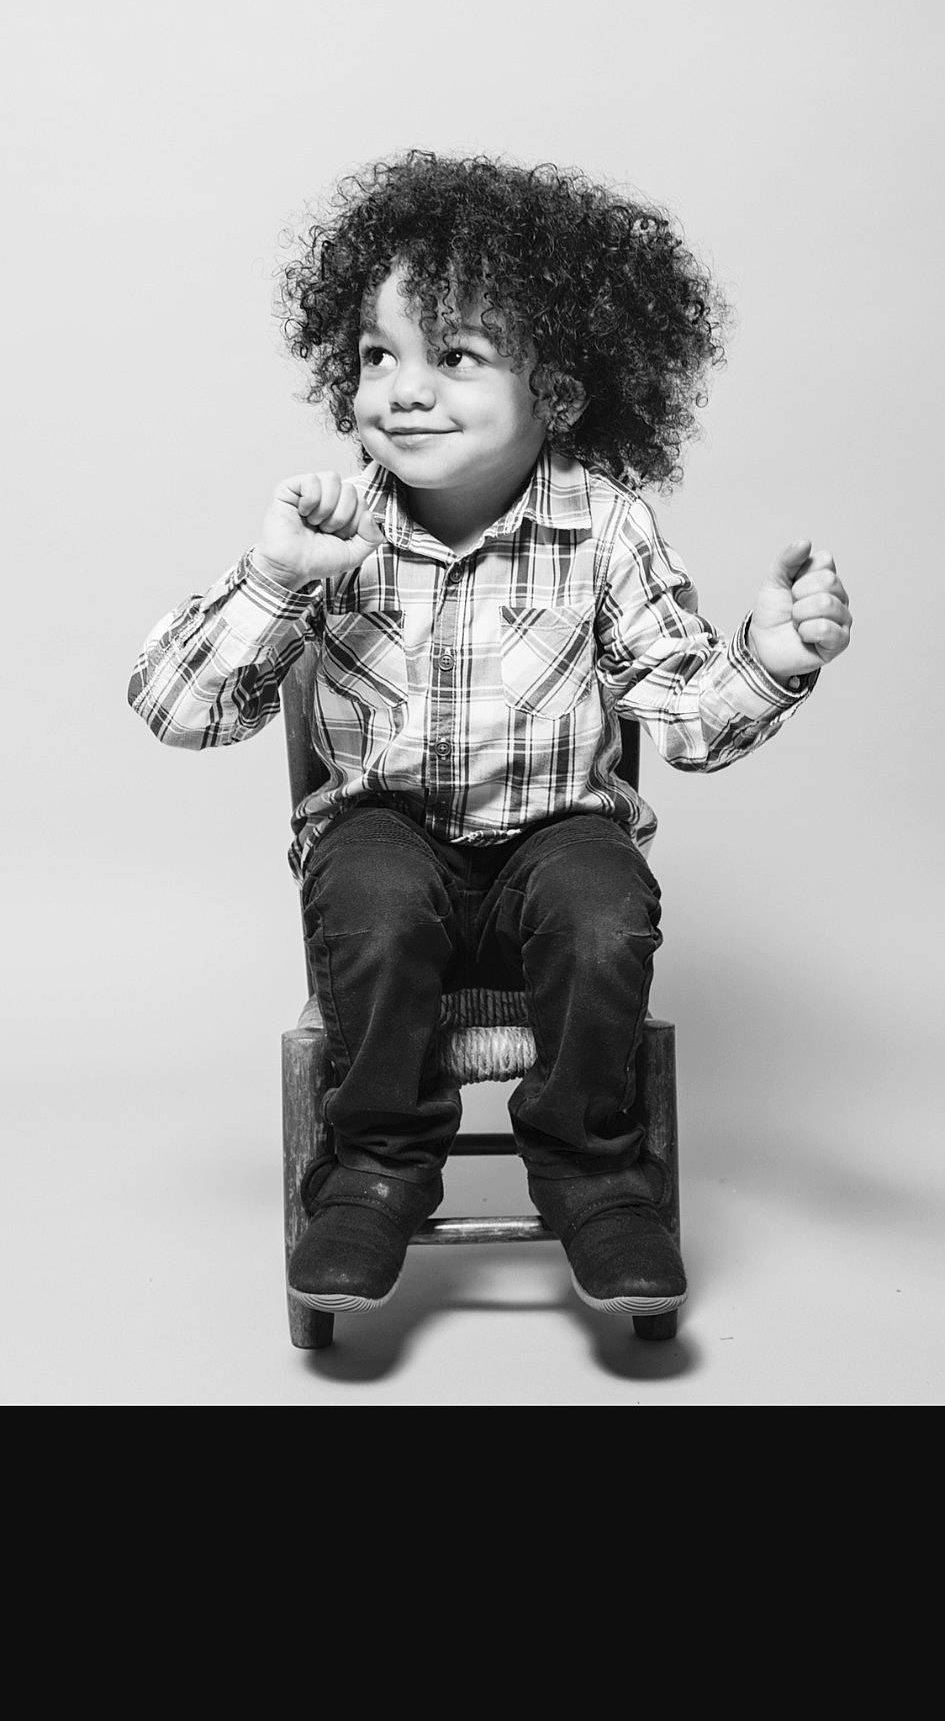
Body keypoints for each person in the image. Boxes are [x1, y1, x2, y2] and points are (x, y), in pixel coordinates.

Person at [128, 152, 852, 1325]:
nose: (399, 389)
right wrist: (273, 578)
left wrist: (767, 658)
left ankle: (595, 1170)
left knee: (606, 904)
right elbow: (174, 707)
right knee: (365, 885)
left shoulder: (605, 526)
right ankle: (372, 1166)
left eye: (452, 357)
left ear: (557, 394)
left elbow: (686, 717)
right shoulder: (334, 526)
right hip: (389, 842)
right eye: (377, 355)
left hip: (549, 847)